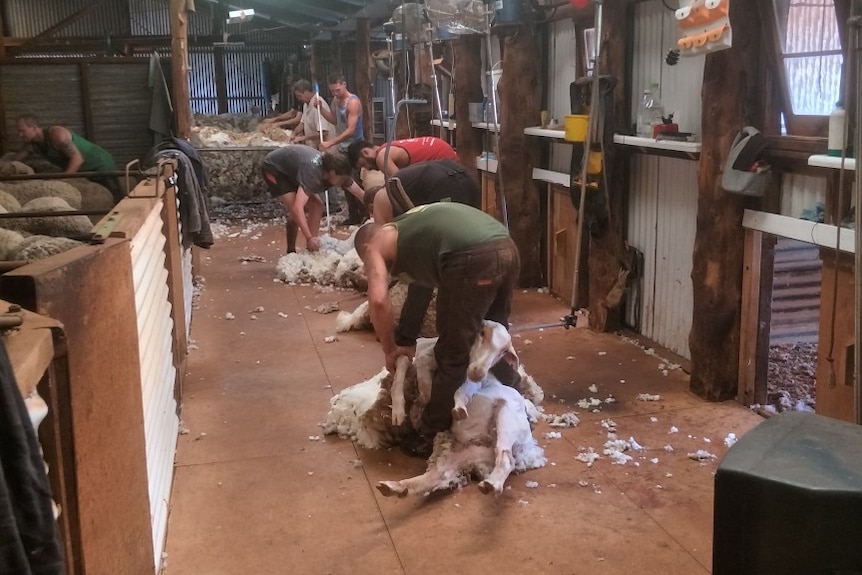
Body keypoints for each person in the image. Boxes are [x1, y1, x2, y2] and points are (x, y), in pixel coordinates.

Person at [353, 202, 521, 458]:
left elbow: (377, 300)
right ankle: (517, 396)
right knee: (493, 334)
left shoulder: (375, 245)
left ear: (365, 249)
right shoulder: (409, 226)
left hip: (471, 257)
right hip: (505, 246)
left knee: (453, 349)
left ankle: (431, 432)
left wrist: (389, 348)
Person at [360, 159, 482, 357]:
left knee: (423, 263)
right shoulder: (395, 190)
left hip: (446, 184)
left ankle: (406, 333)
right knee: (466, 249)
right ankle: (476, 322)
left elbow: (402, 252)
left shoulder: (382, 207)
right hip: (467, 178)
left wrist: (381, 282)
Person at [261, 145, 363, 253]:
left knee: (317, 204)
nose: (342, 182)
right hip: (275, 169)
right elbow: (298, 208)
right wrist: (308, 237)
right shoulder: (312, 174)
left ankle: (311, 247)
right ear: (332, 172)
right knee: (295, 212)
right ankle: (292, 249)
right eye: (342, 179)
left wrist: (374, 209)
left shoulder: (337, 174)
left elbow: (359, 193)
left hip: (294, 169)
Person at [14, 114, 122, 202]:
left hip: (99, 164)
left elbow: (77, 159)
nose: (20, 135)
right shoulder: (32, 145)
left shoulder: (57, 135)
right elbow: (14, 160)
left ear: (33, 127)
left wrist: (63, 181)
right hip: (83, 171)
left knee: (114, 197)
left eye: (22, 131)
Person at [314, 73, 366, 224]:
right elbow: (335, 120)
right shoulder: (336, 101)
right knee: (344, 182)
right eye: (332, 91)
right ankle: (353, 215)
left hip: (355, 147)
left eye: (337, 90)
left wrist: (330, 143)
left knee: (355, 182)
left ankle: (364, 214)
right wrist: (321, 109)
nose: (335, 93)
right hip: (343, 148)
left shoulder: (353, 102)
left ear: (344, 84)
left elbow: (350, 130)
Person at [347, 136, 459, 175]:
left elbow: (401, 185)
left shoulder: (382, 157)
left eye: (363, 164)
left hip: (446, 164)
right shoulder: (387, 147)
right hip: (444, 153)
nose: (368, 168)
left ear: (366, 152)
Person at [286, 79, 336, 148]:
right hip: (313, 147)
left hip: (326, 148)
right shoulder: (306, 105)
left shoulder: (317, 105)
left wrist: (303, 138)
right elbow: (302, 123)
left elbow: (324, 132)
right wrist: (293, 134)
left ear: (306, 92)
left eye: (299, 96)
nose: (298, 99)